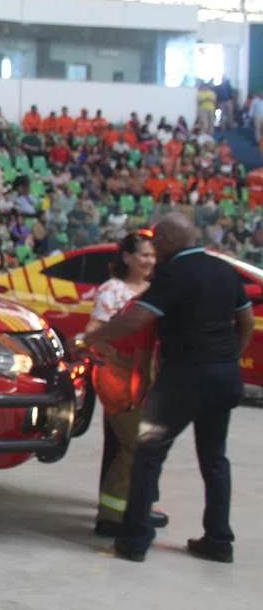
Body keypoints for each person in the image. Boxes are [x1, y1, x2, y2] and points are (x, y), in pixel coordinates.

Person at [75, 213, 254, 564]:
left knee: (147, 454)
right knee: (215, 460)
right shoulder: (224, 269)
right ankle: (219, 540)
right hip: (224, 378)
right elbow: (245, 320)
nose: (154, 250)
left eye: (156, 242)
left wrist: (89, 337)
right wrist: (230, 356)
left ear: (171, 240)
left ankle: (135, 540)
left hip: (183, 379)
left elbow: (134, 320)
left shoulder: (173, 273)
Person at [85, 232, 168, 538]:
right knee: (125, 442)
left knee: (144, 440)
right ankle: (112, 511)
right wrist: (117, 354)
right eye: (143, 255)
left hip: (150, 373)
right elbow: (95, 331)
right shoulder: (112, 291)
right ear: (127, 257)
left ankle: (141, 501)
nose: (149, 261)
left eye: (152, 255)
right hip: (120, 375)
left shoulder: (155, 289)